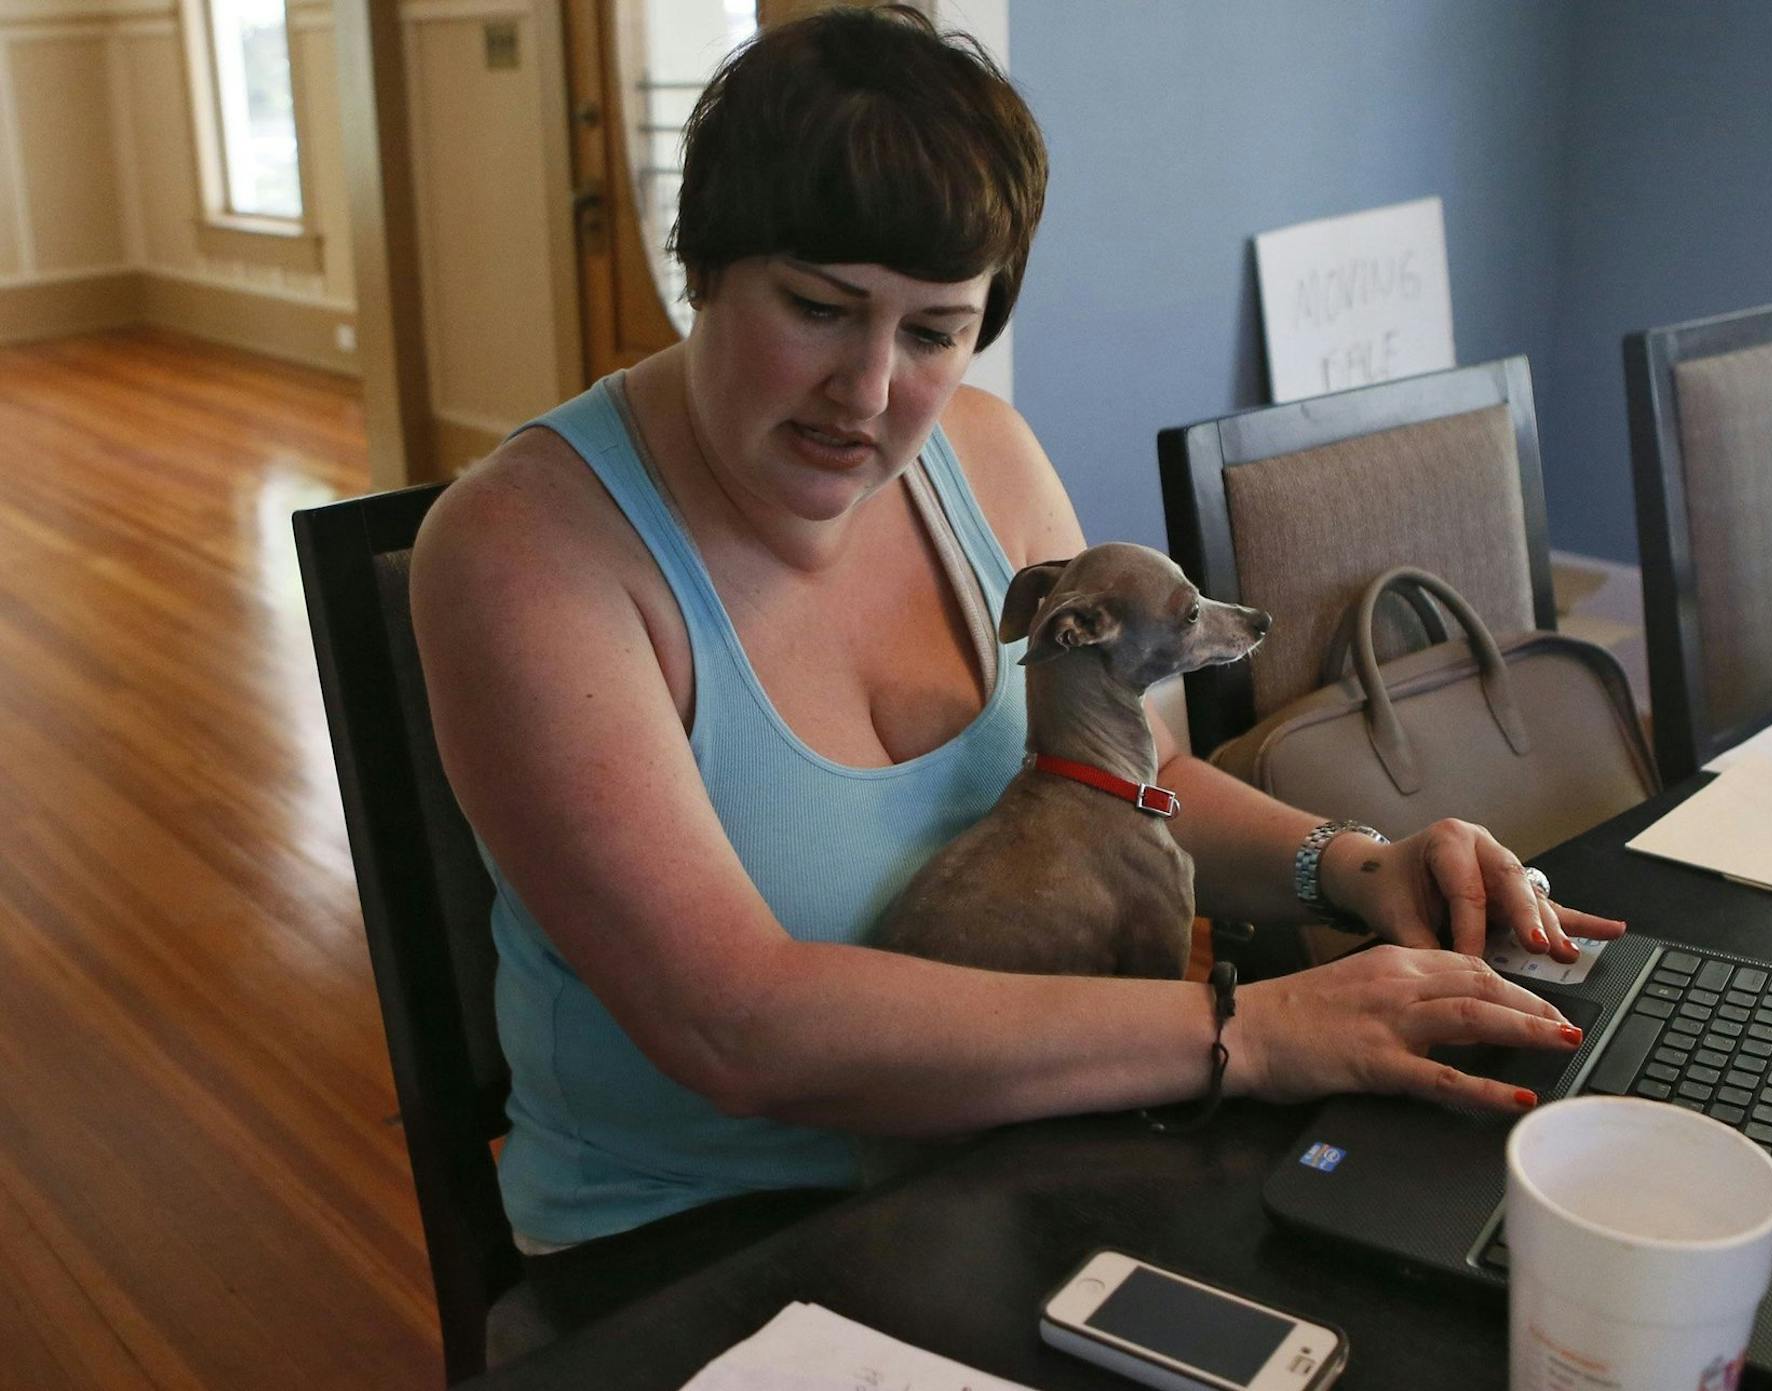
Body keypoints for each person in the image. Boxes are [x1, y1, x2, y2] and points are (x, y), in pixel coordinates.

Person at [410, 2, 1624, 1332]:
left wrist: (1354, 866)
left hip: (1024, 1140)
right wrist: (1251, 1033)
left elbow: (1133, 779)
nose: (869, 391)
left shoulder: (982, 457)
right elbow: (735, 1028)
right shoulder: (523, 551)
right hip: (710, 1242)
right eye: (820, 309)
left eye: (934, 331)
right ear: (703, 266)